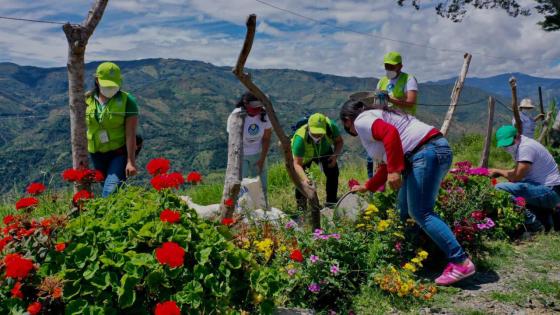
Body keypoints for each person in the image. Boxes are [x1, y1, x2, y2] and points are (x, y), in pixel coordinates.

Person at [340, 96, 475, 285]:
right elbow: (388, 158)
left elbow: (390, 133)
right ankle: (407, 255)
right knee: (402, 209)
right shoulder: (379, 115)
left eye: (347, 128)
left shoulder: (361, 120)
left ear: (347, 120)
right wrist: (368, 186)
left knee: (421, 212)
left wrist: (395, 171)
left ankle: (461, 262)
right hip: (432, 151)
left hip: (425, 153)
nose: (350, 131)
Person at [490, 125, 560, 232]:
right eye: (504, 145)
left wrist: (498, 171)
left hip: (549, 191)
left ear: (517, 137)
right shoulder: (523, 145)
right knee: (517, 186)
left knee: (500, 188)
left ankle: (534, 223)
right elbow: (519, 173)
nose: (507, 147)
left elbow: (516, 176)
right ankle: (546, 220)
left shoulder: (526, 147)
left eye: (509, 143)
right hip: (550, 190)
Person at [86, 62, 138, 197]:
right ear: (97, 80)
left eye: (113, 84)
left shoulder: (128, 100)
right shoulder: (87, 100)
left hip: (118, 153)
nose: (110, 88)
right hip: (96, 154)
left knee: (110, 192)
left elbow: (130, 133)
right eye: (106, 84)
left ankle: (103, 217)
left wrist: (130, 162)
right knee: (108, 188)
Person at [227, 92, 272, 206]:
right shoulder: (236, 115)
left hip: (258, 153)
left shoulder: (265, 115)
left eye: (259, 107)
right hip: (241, 156)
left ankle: (263, 208)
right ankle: (241, 210)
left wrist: (262, 159)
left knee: (262, 185)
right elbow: (233, 139)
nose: (256, 110)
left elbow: (266, 138)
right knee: (241, 185)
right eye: (254, 108)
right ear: (246, 104)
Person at [291, 113, 343, 210]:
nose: (317, 135)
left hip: (324, 151)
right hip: (305, 156)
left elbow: (339, 141)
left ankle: (331, 203)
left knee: (333, 173)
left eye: (320, 133)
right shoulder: (300, 138)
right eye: (314, 132)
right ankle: (301, 208)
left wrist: (335, 155)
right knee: (302, 182)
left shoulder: (331, 127)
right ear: (309, 127)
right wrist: (305, 179)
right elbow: (297, 164)